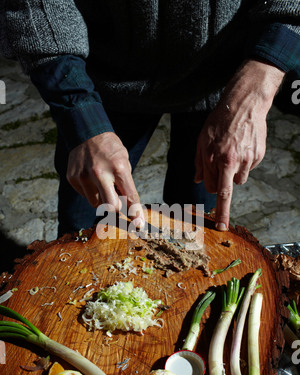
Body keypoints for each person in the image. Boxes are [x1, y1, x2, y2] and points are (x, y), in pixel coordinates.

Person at [1, 1, 300, 237]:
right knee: (85, 228)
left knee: (192, 231)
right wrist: (79, 111)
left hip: (224, 85)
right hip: (102, 79)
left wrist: (257, 89)